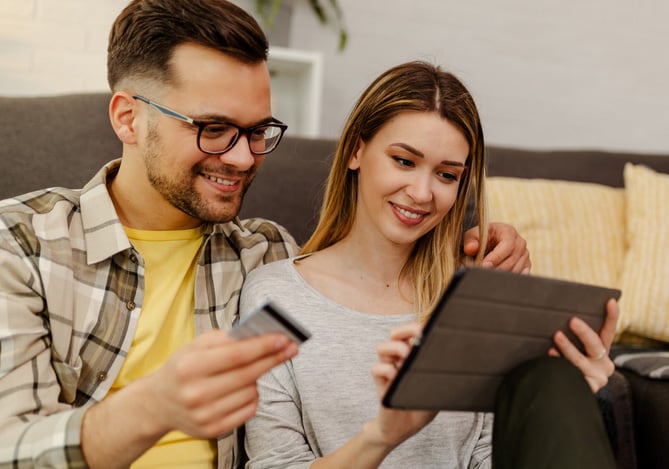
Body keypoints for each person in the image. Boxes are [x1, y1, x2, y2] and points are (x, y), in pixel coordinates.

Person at [0, 2, 530, 468]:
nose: (241, 157)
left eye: (257, 131)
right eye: (212, 128)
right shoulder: (24, 244)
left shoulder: (263, 253)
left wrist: (485, 244)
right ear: (128, 118)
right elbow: (10, 450)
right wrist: (154, 405)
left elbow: (364, 279)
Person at [239, 61, 619, 468]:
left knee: (557, 383)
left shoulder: (471, 297)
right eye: (404, 161)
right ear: (356, 151)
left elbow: (488, 456)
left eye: (446, 175)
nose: (422, 193)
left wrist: (570, 399)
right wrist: (382, 436)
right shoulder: (273, 295)